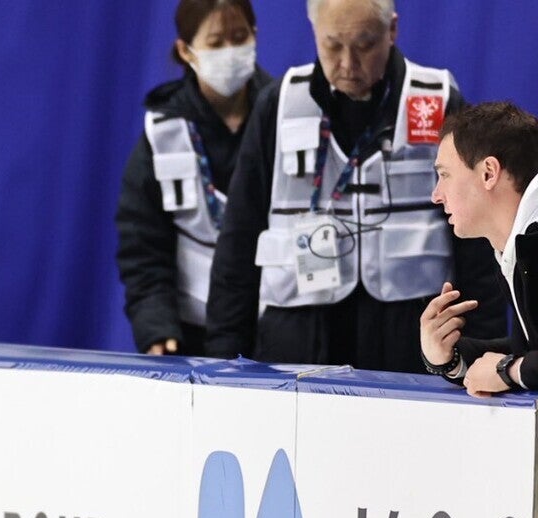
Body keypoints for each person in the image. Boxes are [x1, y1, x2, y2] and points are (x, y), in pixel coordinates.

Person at [205, 0, 508, 372]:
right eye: (333, 45)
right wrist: (222, 361)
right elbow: (238, 238)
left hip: (409, 348)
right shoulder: (279, 106)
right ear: (314, 32)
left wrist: (487, 355)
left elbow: (478, 241)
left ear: (392, 31)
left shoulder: (436, 102)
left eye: (364, 45)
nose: (348, 63)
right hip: (294, 347)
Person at [116, 0, 273, 356]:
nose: (230, 52)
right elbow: (142, 245)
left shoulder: (284, 113)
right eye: (216, 43)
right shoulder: (163, 131)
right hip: (190, 335)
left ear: (255, 37)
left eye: (240, 37)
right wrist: (156, 325)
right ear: (185, 51)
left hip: (275, 329)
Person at [420, 102, 538, 396]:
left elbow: (519, 362)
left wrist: (509, 371)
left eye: (444, 175)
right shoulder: (521, 244)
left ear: (488, 173)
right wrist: (449, 357)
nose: (436, 195)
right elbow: (528, 349)